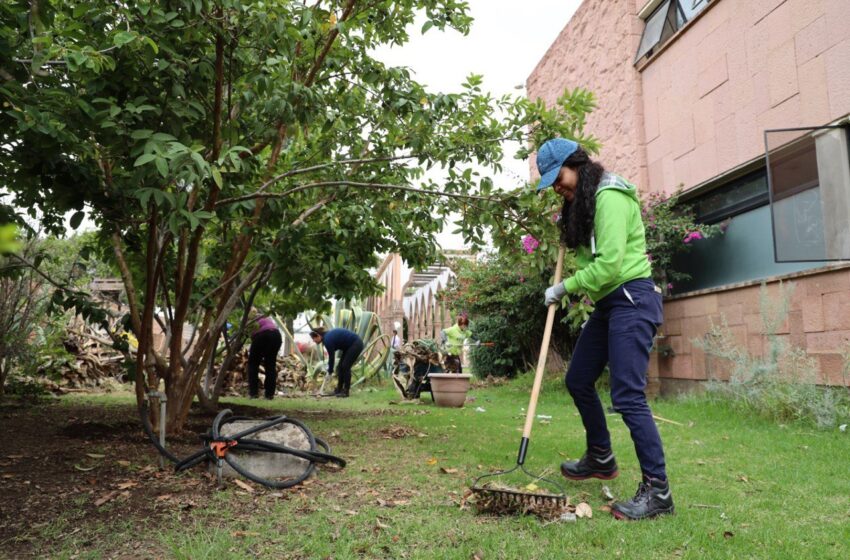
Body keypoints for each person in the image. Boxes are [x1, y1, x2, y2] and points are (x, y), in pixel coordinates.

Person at [536, 138, 672, 520]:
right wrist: (571, 233)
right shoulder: (583, 204)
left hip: (631, 296)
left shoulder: (610, 196)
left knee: (627, 395)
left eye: (558, 178)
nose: (557, 188)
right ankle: (601, 456)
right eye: (552, 186)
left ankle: (658, 491)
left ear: (576, 164)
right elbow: (589, 262)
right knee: (578, 379)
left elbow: (610, 265)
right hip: (609, 303)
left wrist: (564, 288)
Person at [309, 327, 364, 398]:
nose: (313, 341)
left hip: (356, 344)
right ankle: (339, 390)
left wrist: (330, 372)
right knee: (340, 367)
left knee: (345, 366)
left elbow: (332, 357)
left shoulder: (327, 340)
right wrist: (330, 371)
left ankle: (346, 391)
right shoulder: (327, 338)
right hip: (349, 347)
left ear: (318, 336)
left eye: (314, 338)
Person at [247, 310, 282, 400]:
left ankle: (253, 393)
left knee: (253, 364)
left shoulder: (250, 321)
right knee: (270, 365)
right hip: (276, 335)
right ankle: (269, 394)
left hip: (262, 335)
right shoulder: (265, 318)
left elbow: (252, 336)